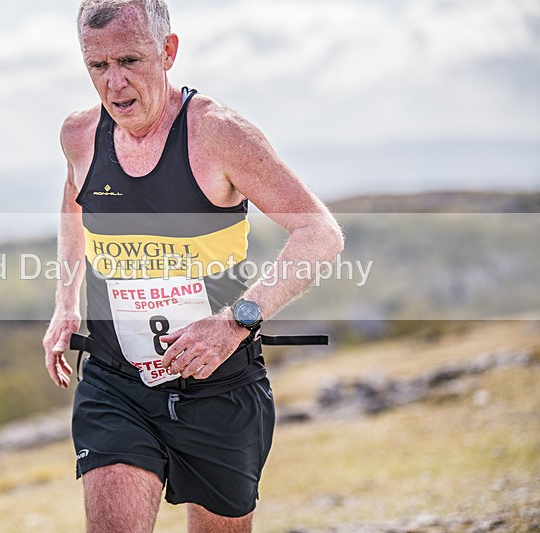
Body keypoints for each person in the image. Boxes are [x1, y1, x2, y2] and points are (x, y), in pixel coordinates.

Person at [42, 1, 344, 531]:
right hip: (116, 382)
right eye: (98, 66)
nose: (115, 84)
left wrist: (236, 320)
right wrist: (66, 302)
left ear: (169, 51)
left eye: (131, 60)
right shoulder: (79, 136)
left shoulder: (218, 135)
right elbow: (74, 202)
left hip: (218, 386)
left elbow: (319, 233)